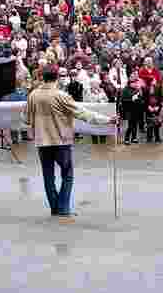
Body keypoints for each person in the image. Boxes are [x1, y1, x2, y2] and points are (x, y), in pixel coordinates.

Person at [25, 67, 116, 219]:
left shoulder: (33, 95)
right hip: (61, 142)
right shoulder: (62, 96)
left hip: (42, 142)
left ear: (42, 77)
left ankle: (55, 207)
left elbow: (26, 119)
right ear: (57, 78)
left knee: (48, 177)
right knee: (67, 175)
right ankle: (63, 208)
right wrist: (107, 120)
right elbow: (83, 113)